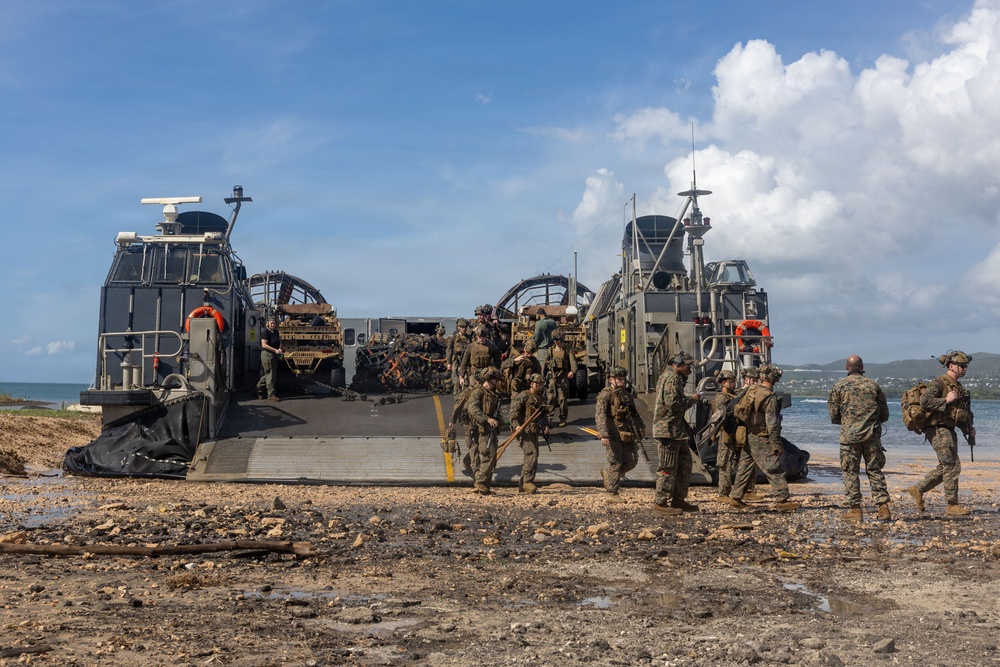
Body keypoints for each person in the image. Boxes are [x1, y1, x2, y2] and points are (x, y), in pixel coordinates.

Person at [908, 351, 975, 516]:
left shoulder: (958, 387)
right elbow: (924, 401)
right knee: (951, 465)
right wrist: (946, 400)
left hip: (949, 429)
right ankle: (952, 505)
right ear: (951, 366)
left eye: (966, 366)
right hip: (937, 428)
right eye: (962, 366)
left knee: (948, 465)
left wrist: (968, 429)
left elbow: (958, 414)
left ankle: (918, 489)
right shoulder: (939, 383)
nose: (965, 369)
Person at [726, 364, 800, 511]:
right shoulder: (769, 396)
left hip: (748, 434)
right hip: (761, 436)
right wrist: (776, 445)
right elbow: (772, 423)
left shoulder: (751, 390)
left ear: (762, 377)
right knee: (774, 468)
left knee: (745, 467)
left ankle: (735, 497)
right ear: (775, 380)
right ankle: (782, 500)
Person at [828, 355, 891, 521]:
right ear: (862, 367)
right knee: (875, 471)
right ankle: (883, 508)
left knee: (850, 472)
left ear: (846, 368)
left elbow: (834, 414)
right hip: (871, 436)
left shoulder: (839, 386)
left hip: (849, 438)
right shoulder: (873, 385)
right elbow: (884, 414)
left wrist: (848, 422)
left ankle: (855, 510)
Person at [651, 354, 700, 515]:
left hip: (677, 431)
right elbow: (673, 403)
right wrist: (691, 400)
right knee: (667, 467)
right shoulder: (671, 379)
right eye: (687, 365)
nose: (690, 369)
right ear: (678, 364)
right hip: (668, 431)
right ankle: (661, 502)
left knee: (685, 465)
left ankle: (679, 499)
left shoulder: (676, 379)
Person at [595, 366, 645, 504]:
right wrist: (604, 434)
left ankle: (608, 474)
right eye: (618, 379)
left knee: (632, 461)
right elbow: (600, 416)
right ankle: (613, 493)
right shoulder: (605, 395)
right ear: (611, 379)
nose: (621, 382)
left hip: (626, 433)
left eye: (623, 379)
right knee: (616, 463)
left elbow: (634, 414)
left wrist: (640, 429)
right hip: (612, 434)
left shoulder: (626, 395)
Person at [509, 372, 550, 493]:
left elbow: (543, 416)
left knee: (534, 454)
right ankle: (527, 482)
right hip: (523, 431)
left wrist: (546, 426)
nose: (541, 386)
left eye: (542, 384)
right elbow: (513, 413)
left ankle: (524, 483)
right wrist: (516, 426)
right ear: (532, 384)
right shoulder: (524, 396)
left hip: (534, 431)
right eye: (539, 384)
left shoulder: (540, 398)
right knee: (531, 453)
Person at [467, 367, 504, 495]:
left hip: (491, 430)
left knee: (492, 457)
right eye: (495, 379)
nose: (497, 382)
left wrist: (500, 420)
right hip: (481, 429)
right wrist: (487, 419)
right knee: (488, 454)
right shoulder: (478, 392)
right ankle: (480, 481)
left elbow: (496, 414)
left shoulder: (494, 395)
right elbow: (473, 409)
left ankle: (485, 486)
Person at [710, 370, 739, 503]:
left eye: (734, 381)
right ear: (723, 382)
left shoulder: (734, 396)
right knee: (725, 463)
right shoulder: (721, 399)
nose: (733, 384)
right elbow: (719, 419)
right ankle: (723, 493)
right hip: (725, 433)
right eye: (731, 381)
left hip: (735, 433)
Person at [544, 330, 577, 427]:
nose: (555, 341)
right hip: (552, 377)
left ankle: (563, 418)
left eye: (557, 339)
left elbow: (573, 362)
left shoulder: (567, 350)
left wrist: (572, 371)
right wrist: (543, 376)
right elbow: (545, 364)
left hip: (562, 376)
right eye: (554, 339)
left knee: (562, 398)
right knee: (550, 398)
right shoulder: (550, 350)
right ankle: (549, 418)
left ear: (561, 339)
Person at [459, 325, 501, 391]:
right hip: (474, 373)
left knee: (489, 391)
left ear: (486, 337)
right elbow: (464, 362)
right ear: (476, 336)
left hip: (487, 373)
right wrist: (461, 376)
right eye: (479, 337)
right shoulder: (471, 347)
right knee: (474, 392)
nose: (481, 339)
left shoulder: (492, 347)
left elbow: (498, 363)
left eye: (483, 337)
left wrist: (495, 375)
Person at [256, 317, 283, 402]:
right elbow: (264, 345)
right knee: (270, 374)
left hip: (274, 355)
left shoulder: (276, 332)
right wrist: (275, 350)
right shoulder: (265, 332)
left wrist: (279, 349)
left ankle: (258, 390)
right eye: (271, 323)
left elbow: (278, 343)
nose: (273, 325)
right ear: (268, 324)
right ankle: (271, 395)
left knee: (268, 374)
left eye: (274, 323)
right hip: (267, 354)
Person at [446, 318, 473, 394]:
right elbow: (449, 350)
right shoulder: (453, 338)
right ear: (458, 327)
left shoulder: (469, 338)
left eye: (465, 327)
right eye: (461, 327)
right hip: (456, 361)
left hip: (467, 362)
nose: (463, 329)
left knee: (467, 381)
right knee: (457, 382)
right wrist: (449, 363)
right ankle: (458, 398)